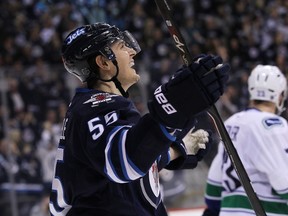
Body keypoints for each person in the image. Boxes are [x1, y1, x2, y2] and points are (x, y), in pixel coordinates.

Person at [49, 22, 230, 216]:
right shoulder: (94, 107)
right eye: (121, 47)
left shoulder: (99, 107)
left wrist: (176, 150)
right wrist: (173, 105)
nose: (132, 52)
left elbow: (127, 165)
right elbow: (124, 163)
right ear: (103, 63)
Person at [203, 64, 288, 216]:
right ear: (280, 95)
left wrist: (213, 211)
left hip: (229, 210)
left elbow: (214, 186)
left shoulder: (231, 122)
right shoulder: (274, 125)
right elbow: (283, 181)